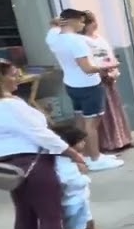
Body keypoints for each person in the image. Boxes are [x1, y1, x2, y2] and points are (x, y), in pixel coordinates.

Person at [0, 59, 95, 229]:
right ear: (0, 79)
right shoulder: (12, 105)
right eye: (13, 74)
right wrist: (72, 153)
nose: (18, 78)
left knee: (25, 212)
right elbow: (40, 134)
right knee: (50, 215)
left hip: (9, 167)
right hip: (34, 162)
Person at [45, 10, 121, 171]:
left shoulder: (53, 38)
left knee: (80, 120)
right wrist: (108, 67)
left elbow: (52, 24)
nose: (82, 24)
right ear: (72, 21)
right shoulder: (77, 41)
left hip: (71, 84)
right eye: (80, 21)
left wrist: (58, 22)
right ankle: (95, 158)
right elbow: (87, 68)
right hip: (89, 85)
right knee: (92, 123)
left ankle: (85, 154)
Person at [51, 124, 133, 229]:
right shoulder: (63, 164)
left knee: (89, 226)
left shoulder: (66, 160)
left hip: (78, 201)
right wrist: (84, 175)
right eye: (80, 141)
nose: (84, 144)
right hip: (73, 203)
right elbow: (72, 182)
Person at [81, 12, 134, 153]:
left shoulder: (100, 39)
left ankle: (122, 139)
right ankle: (108, 142)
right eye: (92, 21)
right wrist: (102, 71)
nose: (95, 24)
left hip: (109, 75)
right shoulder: (83, 41)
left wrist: (113, 70)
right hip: (98, 77)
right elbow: (90, 61)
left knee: (115, 108)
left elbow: (109, 55)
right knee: (103, 112)